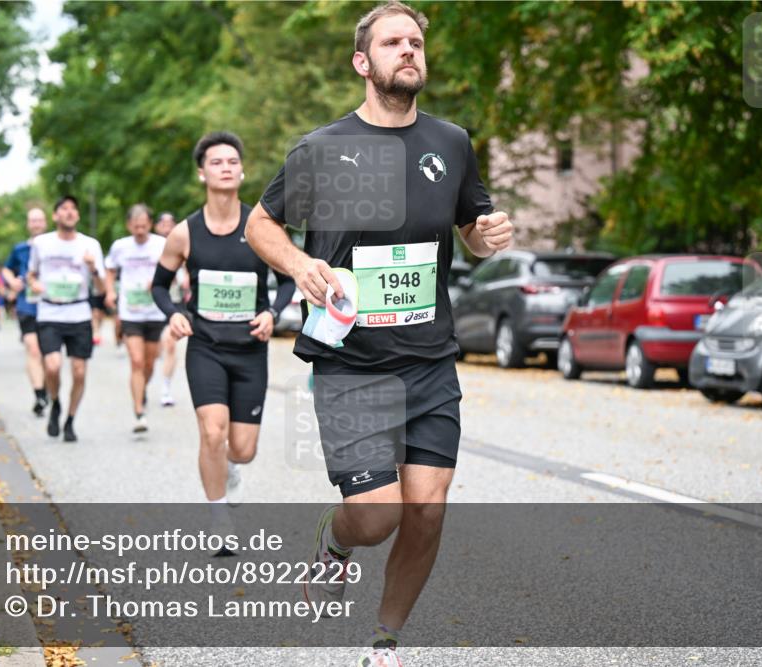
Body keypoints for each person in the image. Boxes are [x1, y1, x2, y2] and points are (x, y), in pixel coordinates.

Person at [244, 3, 514, 665]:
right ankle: (335, 545)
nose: (409, 50)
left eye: (416, 41)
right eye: (394, 41)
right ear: (363, 62)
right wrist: (302, 263)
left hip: (429, 362)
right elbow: (260, 226)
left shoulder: (451, 143)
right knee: (377, 514)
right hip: (352, 363)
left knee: (427, 507)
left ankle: (384, 640)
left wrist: (487, 236)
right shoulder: (321, 149)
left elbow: (472, 230)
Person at [152, 131, 296, 516]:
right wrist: (175, 314)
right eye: (217, 162)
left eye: (233, 161)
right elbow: (159, 287)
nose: (226, 168)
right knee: (212, 431)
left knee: (243, 450)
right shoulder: (184, 233)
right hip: (206, 346)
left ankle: (230, 469)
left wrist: (272, 313)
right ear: (202, 173)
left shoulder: (261, 228)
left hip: (250, 349)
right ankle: (218, 515)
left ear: (243, 172)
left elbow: (287, 280)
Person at [27, 195, 106, 443]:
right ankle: (55, 402)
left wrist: (93, 268)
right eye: (64, 209)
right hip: (50, 312)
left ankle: (70, 420)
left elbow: (102, 288)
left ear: (78, 216)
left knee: (79, 372)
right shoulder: (41, 243)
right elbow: (30, 274)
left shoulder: (90, 245)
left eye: (74, 209)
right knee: (52, 366)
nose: (69, 212)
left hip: (79, 313)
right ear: (55, 216)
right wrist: (35, 284)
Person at [105, 204, 167, 433]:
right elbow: (110, 270)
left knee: (150, 363)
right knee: (137, 361)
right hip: (130, 311)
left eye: (143, 226)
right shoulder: (120, 247)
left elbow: (173, 268)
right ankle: (139, 411)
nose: (139, 231)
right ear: (128, 225)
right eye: (135, 226)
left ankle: (141, 390)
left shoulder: (161, 244)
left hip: (154, 310)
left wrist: (161, 281)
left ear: (150, 224)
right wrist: (110, 291)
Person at [3, 207, 49, 415]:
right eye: (33, 221)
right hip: (26, 305)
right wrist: (12, 281)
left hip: (51, 307)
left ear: (46, 223)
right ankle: (39, 395)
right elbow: (6, 268)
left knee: (49, 356)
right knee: (33, 349)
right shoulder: (20, 249)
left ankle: (47, 388)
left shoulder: (54, 246)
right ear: (28, 224)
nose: (36, 224)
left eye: (39, 220)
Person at [153, 211, 187, 406]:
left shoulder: (181, 244)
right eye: (163, 223)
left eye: (170, 223)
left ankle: (166, 388)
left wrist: (185, 280)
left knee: (170, 344)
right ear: (156, 227)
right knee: (151, 355)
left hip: (172, 303)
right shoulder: (149, 247)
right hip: (148, 307)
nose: (167, 227)